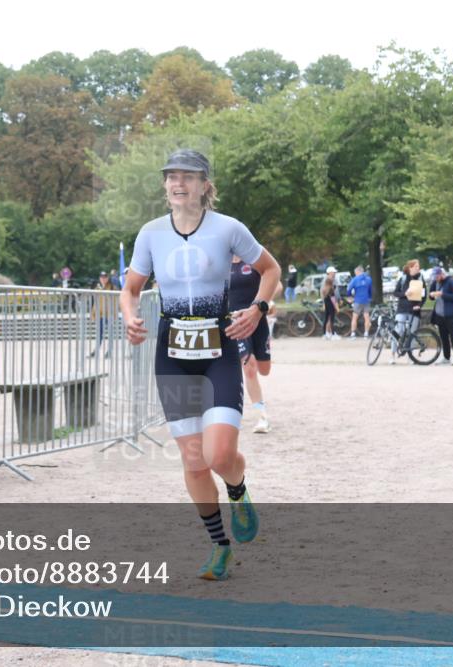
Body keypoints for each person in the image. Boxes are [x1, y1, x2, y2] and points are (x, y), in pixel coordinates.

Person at [121, 149, 281, 581]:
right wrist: (130, 316)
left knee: (219, 454)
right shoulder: (151, 234)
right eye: (171, 177)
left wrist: (259, 308)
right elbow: (131, 287)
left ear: (205, 185)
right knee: (193, 460)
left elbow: (271, 269)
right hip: (172, 356)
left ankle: (238, 488)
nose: (178, 184)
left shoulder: (228, 228)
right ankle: (219, 546)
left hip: (219, 350)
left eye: (187, 177)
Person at [229, 256, 283, 433]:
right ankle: (262, 416)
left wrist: (265, 301)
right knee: (249, 366)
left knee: (264, 370)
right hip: (236, 321)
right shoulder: (220, 261)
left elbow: (278, 285)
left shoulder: (252, 257)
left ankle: (261, 411)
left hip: (258, 319)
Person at [391, 259, 425, 364]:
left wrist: (419, 306)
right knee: (398, 331)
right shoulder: (403, 278)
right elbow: (395, 293)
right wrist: (405, 294)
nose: (418, 268)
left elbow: (424, 295)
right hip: (402, 309)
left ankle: (410, 357)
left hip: (414, 310)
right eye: (415, 266)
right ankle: (392, 355)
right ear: (410, 267)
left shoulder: (420, 279)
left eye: (418, 266)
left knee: (412, 333)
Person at [428, 266, 453, 365]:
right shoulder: (435, 282)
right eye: (434, 276)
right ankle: (446, 357)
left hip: (450, 313)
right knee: (443, 337)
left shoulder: (450, 282)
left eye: (437, 276)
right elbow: (431, 296)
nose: (435, 278)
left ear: (442, 274)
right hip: (439, 314)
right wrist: (432, 295)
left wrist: (442, 294)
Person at [89, 271, 117, 358]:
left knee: (110, 334)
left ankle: (109, 351)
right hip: (100, 315)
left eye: (105, 277)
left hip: (109, 315)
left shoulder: (112, 288)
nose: (103, 279)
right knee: (99, 334)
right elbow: (95, 302)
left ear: (108, 278)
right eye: (102, 277)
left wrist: (115, 314)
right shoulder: (97, 288)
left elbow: (115, 302)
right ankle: (96, 350)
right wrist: (93, 313)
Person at [346, 265, 373, 338]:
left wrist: (349, 296)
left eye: (355, 273)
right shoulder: (369, 279)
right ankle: (366, 334)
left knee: (355, 317)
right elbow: (370, 290)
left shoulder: (355, 279)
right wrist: (370, 297)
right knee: (367, 317)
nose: (355, 274)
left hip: (358, 300)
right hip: (366, 300)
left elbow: (349, 289)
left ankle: (353, 334)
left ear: (358, 271)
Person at [321, 267, 339, 340]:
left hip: (326, 302)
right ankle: (333, 334)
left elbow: (323, 295)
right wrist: (336, 306)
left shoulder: (324, 286)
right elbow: (333, 297)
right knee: (332, 319)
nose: (335, 274)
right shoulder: (330, 285)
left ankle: (325, 334)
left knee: (326, 318)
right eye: (334, 272)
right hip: (331, 303)